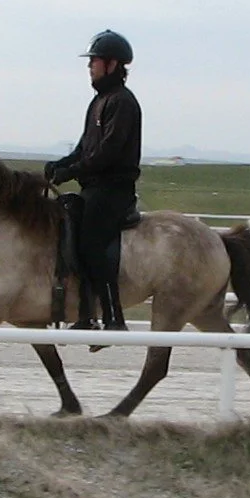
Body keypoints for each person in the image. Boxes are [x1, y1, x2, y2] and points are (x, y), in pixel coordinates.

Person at [44, 29, 142, 331]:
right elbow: (84, 148)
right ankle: (84, 313)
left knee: (90, 241)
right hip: (94, 187)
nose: (90, 67)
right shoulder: (99, 102)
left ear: (111, 64)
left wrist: (72, 172)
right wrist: (59, 165)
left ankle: (114, 316)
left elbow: (107, 153)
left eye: (94, 62)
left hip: (114, 190)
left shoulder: (123, 103)